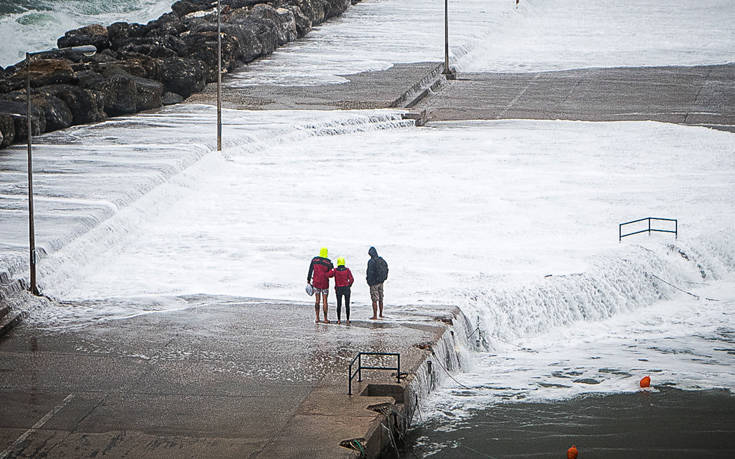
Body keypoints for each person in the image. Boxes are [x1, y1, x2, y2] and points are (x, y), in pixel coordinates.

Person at [307, 247, 333, 323]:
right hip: (325, 283)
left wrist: (308, 280)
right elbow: (331, 274)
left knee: (317, 300)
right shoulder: (328, 262)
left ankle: (317, 318)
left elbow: (310, 270)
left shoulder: (314, 260)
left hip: (316, 283)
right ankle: (325, 319)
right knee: (325, 301)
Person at [328, 257, 354, 325]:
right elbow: (351, 279)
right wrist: (349, 285)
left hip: (338, 288)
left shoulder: (335, 270)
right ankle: (347, 320)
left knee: (339, 304)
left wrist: (331, 268)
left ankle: (339, 320)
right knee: (347, 304)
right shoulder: (347, 270)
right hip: (346, 288)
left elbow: (329, 275)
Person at [366, 246, 388, 320]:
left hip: (374, 283)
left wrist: (369, 281)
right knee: (381, 299)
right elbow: (386, 269)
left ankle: (375, 316)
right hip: (381, 282)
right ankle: (381, 314)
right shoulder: (381, 260)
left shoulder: (371, 261)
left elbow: (369, 273)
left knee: (374, 299)